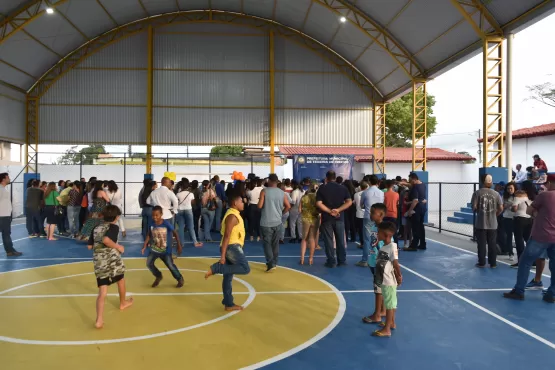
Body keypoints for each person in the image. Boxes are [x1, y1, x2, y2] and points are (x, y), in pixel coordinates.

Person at [503, 174, 555, 303]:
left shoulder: (545, 195)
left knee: (525, 262)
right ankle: (551, 293)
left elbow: (529, 211)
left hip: (541, 235)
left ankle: (519, 291)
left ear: (550, 183)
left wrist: (538, 214)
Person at [87, 205, 133, 329]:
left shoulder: (96, 228)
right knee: (121, 280)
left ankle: (99, 320)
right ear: (116, 217)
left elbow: (89, 246)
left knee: (102, 291)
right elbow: (107, 240)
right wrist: (118, 247)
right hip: (112, 260)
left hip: (99, 261)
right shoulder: (113, 227)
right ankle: (123, 303)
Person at [205, 194, 251, 311]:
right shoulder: (232, 216)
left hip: (231, 247)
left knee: (228, 277)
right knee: (245, 268)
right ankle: (217, 268)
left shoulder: (234, 215)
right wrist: (223, 256)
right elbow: (226, 236)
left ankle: (228, 303)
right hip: (231, 247)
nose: (243, 203)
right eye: (241, 201)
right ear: (235, 203)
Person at [371, 221, 402, 337]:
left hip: (389, 281)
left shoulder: (392, 247)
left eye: (379, 232)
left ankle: (387, 328)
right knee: (390, 303)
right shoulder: (384, 246)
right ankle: (392, 323)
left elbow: (395, 263)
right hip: (384, 280)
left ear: (387, 235)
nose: (377, 234)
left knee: (389, 305)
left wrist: (399, 276)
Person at [316, 171, 353, 268]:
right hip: (339, 217)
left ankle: (331, 261)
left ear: (326, 178)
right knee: (340, 240)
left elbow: (319, 203)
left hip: (327, 218)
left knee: (328, 240)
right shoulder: (343, 188)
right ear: (335, 178)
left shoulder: (322, 188)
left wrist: (329, 211)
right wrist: (338, 210)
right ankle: (341, 261)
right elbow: (349, 202)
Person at [142, 206, 184, 288]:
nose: (154, 217)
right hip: (154, 249)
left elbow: (175, 233)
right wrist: (144, 245)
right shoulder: (152, 223)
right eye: (153, 215)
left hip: (165, 251)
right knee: (149, 263)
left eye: (156, 215)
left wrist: (179, 245)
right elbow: (149, 234)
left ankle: (179, 278)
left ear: (161, 214)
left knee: (170, 265)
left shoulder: (166, 224)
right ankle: (158, 276)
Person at [259, 174, 291, 272]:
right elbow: (288, 206)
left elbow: (259, 206)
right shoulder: (282, 193)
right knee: (275, 244)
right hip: (277, 221)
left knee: (267, 244)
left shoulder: (264, 191)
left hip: (266, 221)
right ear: (277, 181)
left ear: (269, 181)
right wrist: (281, 213)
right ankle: (275, 262)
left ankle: (270, 262)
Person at [471, 174, 503, 268]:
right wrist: (495, 214)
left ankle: (482, 262)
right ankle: (493, 263)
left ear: (482, 181)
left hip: (481, 223)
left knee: (481, 244)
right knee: (492, 244)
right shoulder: (496, 194)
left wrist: (479, 212)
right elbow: (501, 208)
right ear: (491, 182)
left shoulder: (477, 193)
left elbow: (474, 207)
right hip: (493, 223)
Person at [361, 175, 384, 260]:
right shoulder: (381, 192)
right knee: (379, 237)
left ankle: (365, 259)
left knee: (367, 239)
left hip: (368, 216)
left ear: (369, 182)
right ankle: (380, 257)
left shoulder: (365, 192)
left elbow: (361, 204)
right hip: (379, 217)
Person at [403, 173, 427, 251]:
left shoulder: (415, 187)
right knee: (421, 227)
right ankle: (422, 244)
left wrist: (410, 211)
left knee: (415, 228)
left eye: (410, 180)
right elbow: (420, 199)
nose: (410, 182)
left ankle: (414, 245)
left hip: (416, 209)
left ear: (414, 179)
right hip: (423, 208)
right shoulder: (423, 185)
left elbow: (415, 200)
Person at [176, 181, 203, 248]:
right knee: (191, 227)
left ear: (181, 187)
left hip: (180, 210)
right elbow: (193, 202)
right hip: (188, 210)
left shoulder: (178, 194)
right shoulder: (190, 194)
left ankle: (181, 244)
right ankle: (195, 242)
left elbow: (176, 202)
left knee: (181, 228)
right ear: (188, 187)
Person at [0, 173, 22, 256]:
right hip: (3, 216)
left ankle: (10, 250)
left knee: (6, 234)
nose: (9, 179)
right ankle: (10, 250)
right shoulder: (1, 189)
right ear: (3, 179)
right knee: (6, 234)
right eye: (8, 177)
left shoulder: (3, 189)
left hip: (5, 215)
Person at [298, 183, 319, 265]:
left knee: (304, 239)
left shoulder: (303, 197)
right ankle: (310, 259)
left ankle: (302, 259)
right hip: (315, 219)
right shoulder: (317, 197)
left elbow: (299, 210)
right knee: (312, 239)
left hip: (305, 219)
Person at [511, 190, 532, 268]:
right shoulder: (529, 198)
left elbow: (514, 209)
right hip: (529, 219)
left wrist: (511, 208)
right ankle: (533, 261)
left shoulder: (517, 198)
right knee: (528, 240)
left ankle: (521, 261)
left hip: (519, 219)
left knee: (519, 240)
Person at [501, 182, 516, 260]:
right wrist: (506, 206)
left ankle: (521, 253)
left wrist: (509, 206)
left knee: (518, 237)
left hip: (516, 218)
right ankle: (511, 253)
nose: (509, 190)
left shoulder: (517, 197)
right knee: (509, 236)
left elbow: (516, 208)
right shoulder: (504, 196)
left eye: (511, 188)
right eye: (508, 188)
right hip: (507, 218)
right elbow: (502, 207)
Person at [354, 181, 368, 247]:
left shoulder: (356, 194)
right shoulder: (368, 194)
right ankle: (368, 243)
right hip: (367, 214)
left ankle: (362, 243)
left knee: (360, 230)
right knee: (367, 230)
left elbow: (354, 203)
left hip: (359, 214)